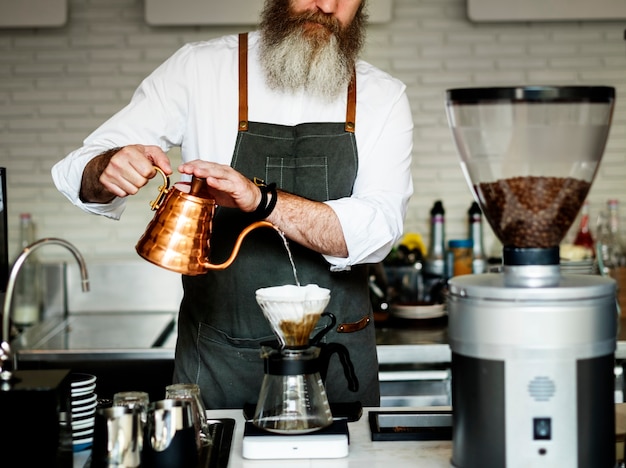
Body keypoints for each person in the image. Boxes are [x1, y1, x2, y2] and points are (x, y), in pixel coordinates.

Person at [52, 0, 413, 409]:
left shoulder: (383, 96)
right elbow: (77, 169)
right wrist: (107, 167)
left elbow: (377, 231)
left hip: (337, 359)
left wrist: (261, 200)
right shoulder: (199, 70)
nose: (326, 6)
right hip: (219, 362)